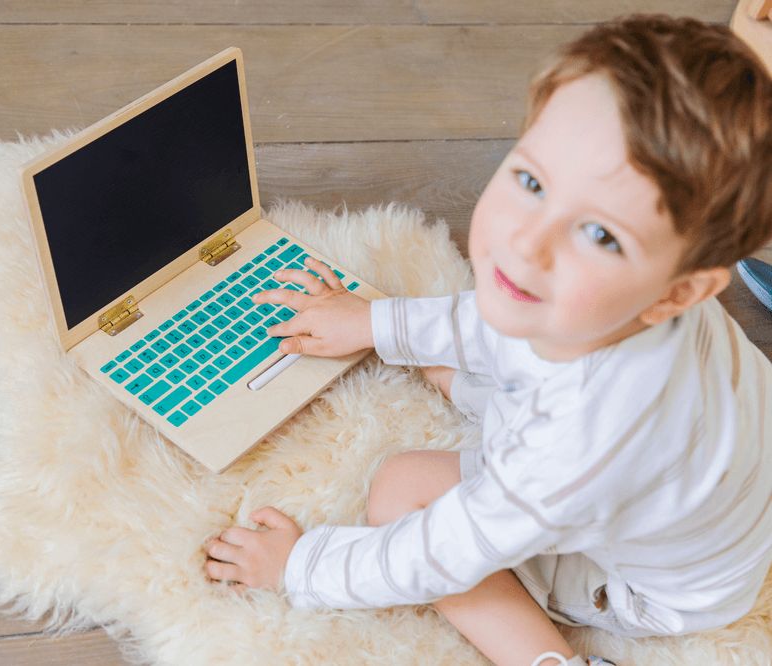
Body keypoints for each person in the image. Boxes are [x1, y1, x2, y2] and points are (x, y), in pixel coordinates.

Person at [202, 14, 772, 666]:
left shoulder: (570, 445)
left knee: (398, 488)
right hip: (720, 488)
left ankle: (549, 659)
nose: (526, 244)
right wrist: (375, 324)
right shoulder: (626, 303)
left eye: (601, 236)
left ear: (679, 292)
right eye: (532, 183)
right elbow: (499, 320)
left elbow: (442, 552)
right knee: (476, 355)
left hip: (662, 588)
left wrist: (301, 567)